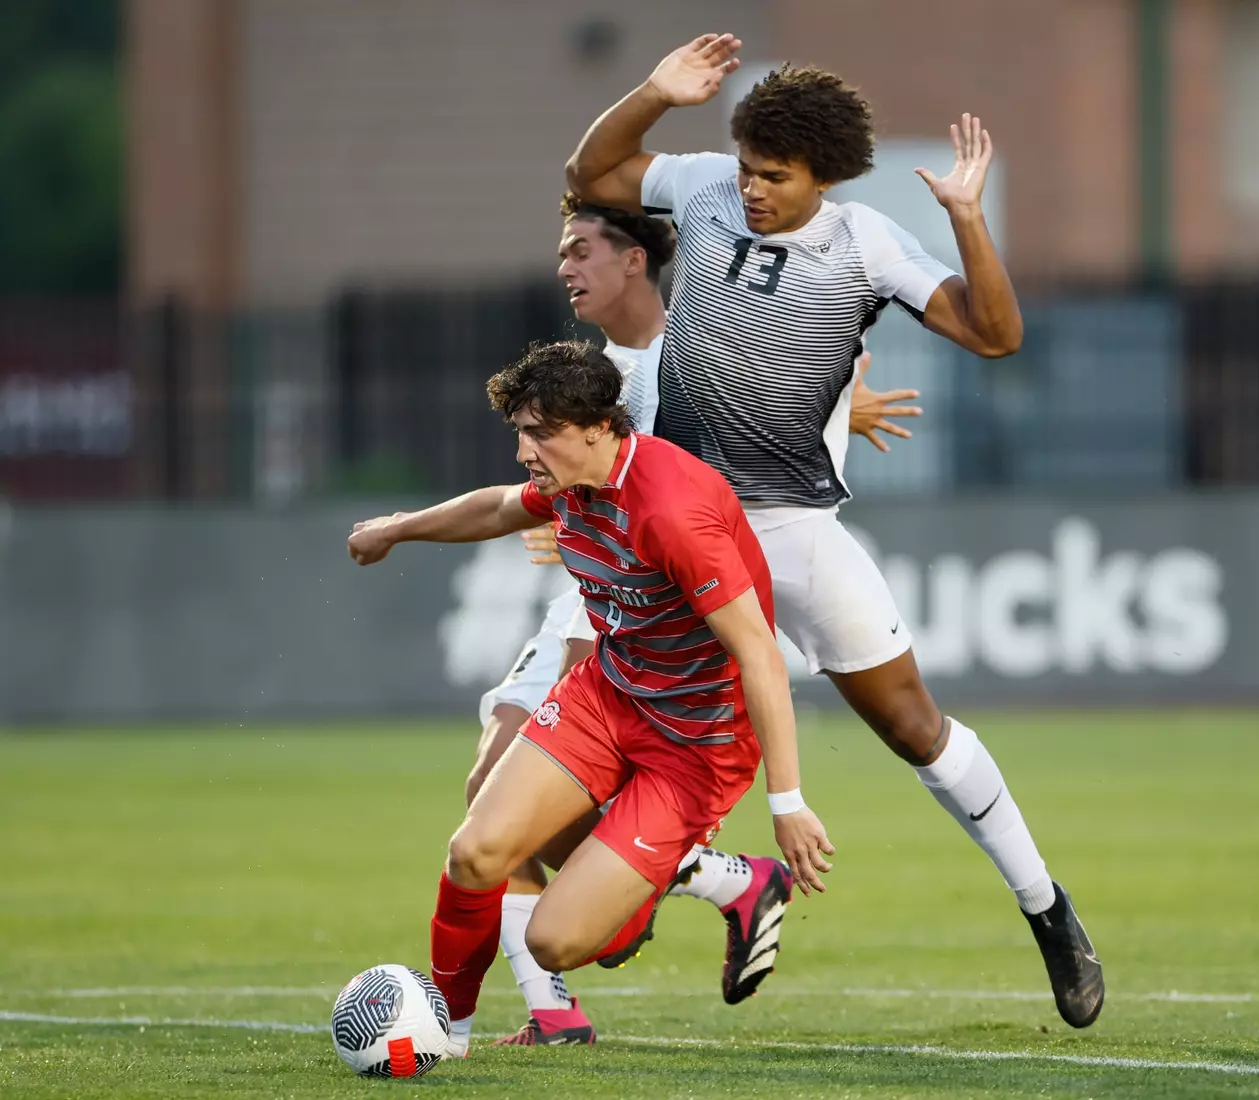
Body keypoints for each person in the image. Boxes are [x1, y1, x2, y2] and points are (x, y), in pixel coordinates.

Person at [564, 33, 1103, 1027]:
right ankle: (643, 886)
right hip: (679, 525)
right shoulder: (702, 187)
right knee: (603, 722)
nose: (754, 189)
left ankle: (1046, 906)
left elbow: (997, 334)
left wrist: (970, 222)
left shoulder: (866, 244)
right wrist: (653, 92)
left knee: (915, 729)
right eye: (748, 168)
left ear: (827, 174)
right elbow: (590, 171)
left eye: (777, 175)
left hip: (793, 530)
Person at [471, 198, 923, 1045]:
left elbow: (743, 441)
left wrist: (835, 415)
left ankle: (618, 929)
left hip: (651, 593)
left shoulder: (696, 346)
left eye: (580, 250)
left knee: (507, 790)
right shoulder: (591, 367)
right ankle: (672, 911)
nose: (565, 268)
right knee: (493, 800)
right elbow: (540, 477)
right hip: (599, 575)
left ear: (634, 259)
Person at [348, 339, 834, 1057]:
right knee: (476, 853)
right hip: (608, 696)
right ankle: (445, 1031)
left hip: (695, 744)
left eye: (538, 432)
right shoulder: (573, 479)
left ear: (598, 427)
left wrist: (786, 803)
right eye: (519, 432)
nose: (524, 451)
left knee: (554, 942)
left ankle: (712, 880)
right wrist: (398, 528)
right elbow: (499, 509)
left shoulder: (671, 510)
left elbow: (759, 652)